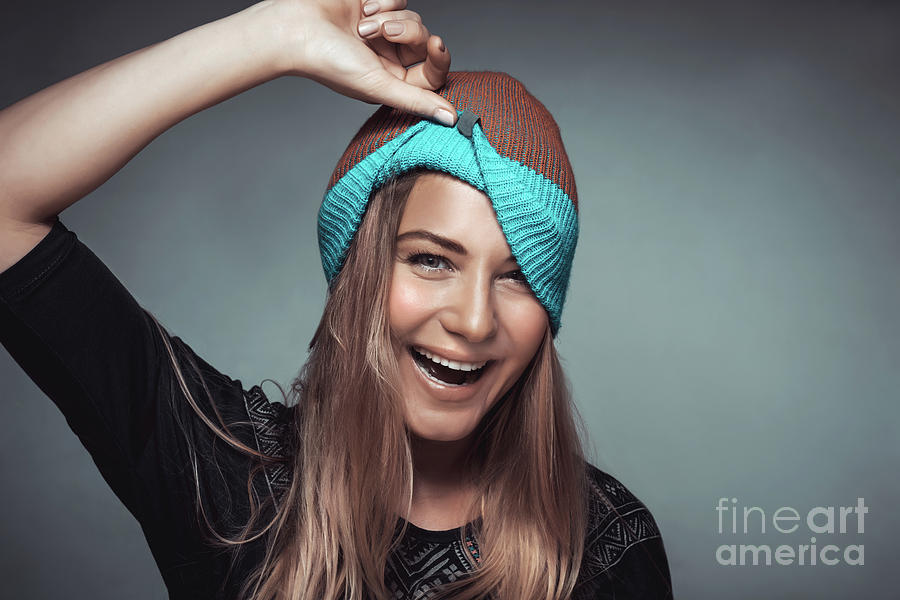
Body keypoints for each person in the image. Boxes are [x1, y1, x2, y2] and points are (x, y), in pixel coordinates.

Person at [0, 0, 674, 598]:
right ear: (361, 274)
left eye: (517, 275)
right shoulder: (237, 484)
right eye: (431, 260)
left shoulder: (607, 548)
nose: (472, 322)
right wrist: (278, 34)